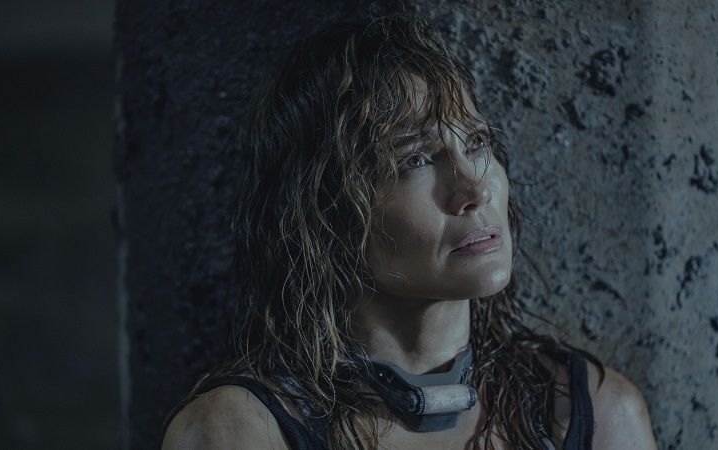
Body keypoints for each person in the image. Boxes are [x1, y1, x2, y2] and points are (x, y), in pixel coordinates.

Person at [161, 13, 658, 450]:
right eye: (415, 159)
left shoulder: (592, 412)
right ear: (325, 212)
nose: (473, 189)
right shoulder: (238, 433)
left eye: (477, 142)